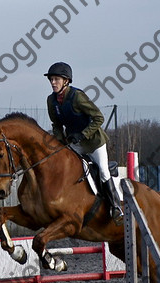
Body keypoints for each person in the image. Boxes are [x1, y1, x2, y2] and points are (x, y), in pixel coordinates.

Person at [44, 62, 123, 224]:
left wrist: (83, 134)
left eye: (56, 79)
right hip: (74, 142)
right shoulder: (51, 101)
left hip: (94, 142)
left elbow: (98, 117)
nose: (53, 82)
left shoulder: (77, 97)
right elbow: (56, 125)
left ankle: (116, 208)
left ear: (66, 81)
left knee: (103, 172)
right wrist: (60, 141)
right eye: (51, 79)